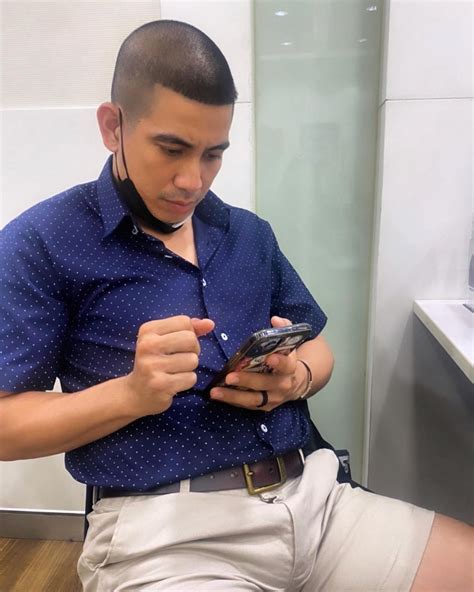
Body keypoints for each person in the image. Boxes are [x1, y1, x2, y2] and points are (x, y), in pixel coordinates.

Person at [0, 20, 472, 592]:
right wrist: (130, 394)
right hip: (164, 537)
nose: (191, 180)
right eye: (171, 149)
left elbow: (317, 348)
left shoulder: (248, 234)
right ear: (112, 126)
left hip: (317, 502)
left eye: (213, 155)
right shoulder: (42, 242)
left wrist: (295, 378)